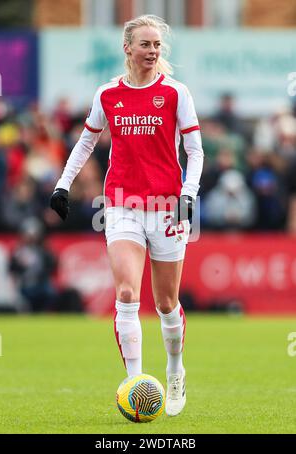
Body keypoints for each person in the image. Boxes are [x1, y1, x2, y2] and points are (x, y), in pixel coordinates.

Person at [50, 15, 204, 416]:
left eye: (157, 45)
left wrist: (189, 193)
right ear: (128, 49)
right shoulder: (108, 95)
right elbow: (85, 143)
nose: (153, 51)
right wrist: (62, 185)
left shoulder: (174, 93)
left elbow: (195, 151)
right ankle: (136, 383)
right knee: (126, 295)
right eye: (145, 44)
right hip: (120, 205)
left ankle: (174, 371)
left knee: (167, 303)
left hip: (168, 205)